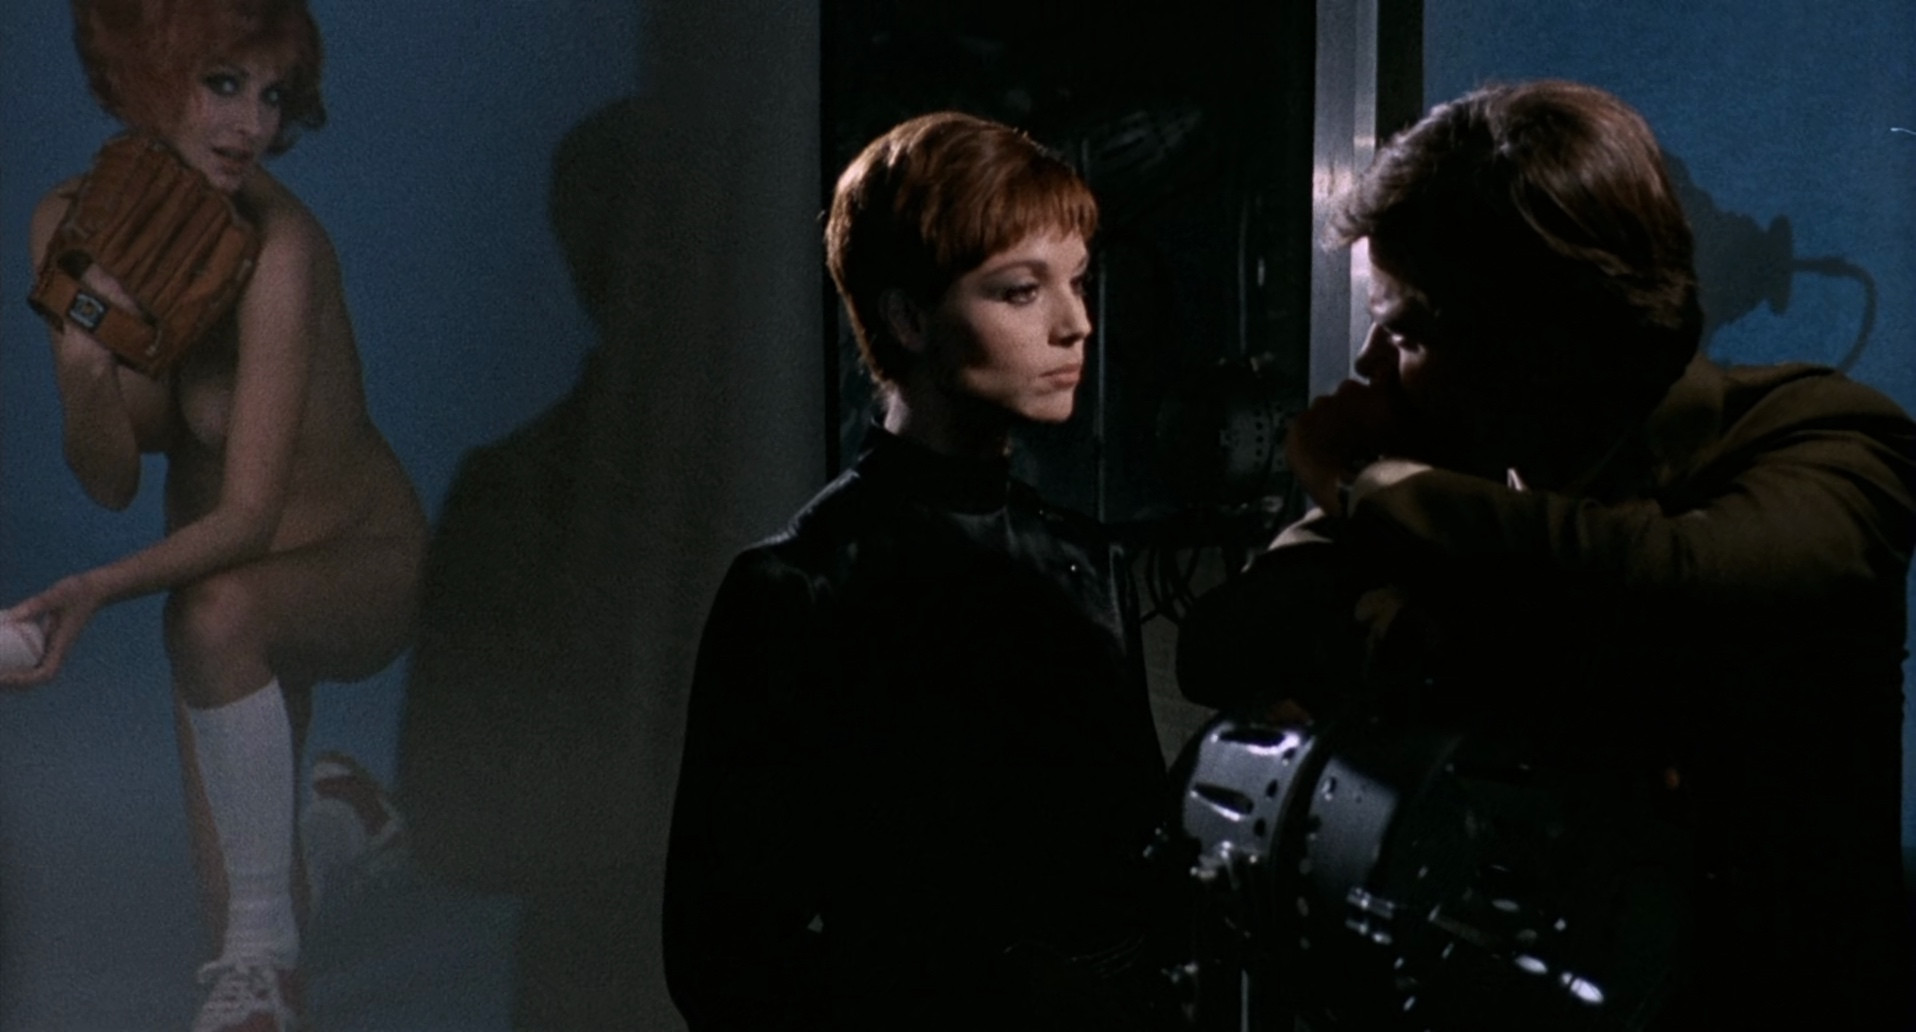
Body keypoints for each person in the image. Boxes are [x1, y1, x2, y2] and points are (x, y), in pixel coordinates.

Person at [1177, 80, 1915, 1029]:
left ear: (1541, 337)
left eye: (1407, 331)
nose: (1367, 368)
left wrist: (1369, 493)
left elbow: (1673, 589)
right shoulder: (1468, 466)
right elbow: (1227, 639)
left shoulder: (1828, 440)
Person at [663, 111, 1173, 1031]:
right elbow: (721, 959)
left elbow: (1134, 867)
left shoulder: (1089, 563)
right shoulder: (800, 588)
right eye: (1022, 290)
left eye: (1078, 283)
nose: (1077, 325)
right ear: (906, 317)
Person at [1, 2, 425, 1030]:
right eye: (222, 84)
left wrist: (89, 590)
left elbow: (245, 522)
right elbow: (110, 480)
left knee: (211, 614)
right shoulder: (68, 227)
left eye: (272, 96)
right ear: (144, 75)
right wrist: (84, 368)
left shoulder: (285, 248)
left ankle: (267, 955)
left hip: (353, 566)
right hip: (225, 604)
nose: (251, 126)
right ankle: (342, 818)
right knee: (233, 905)